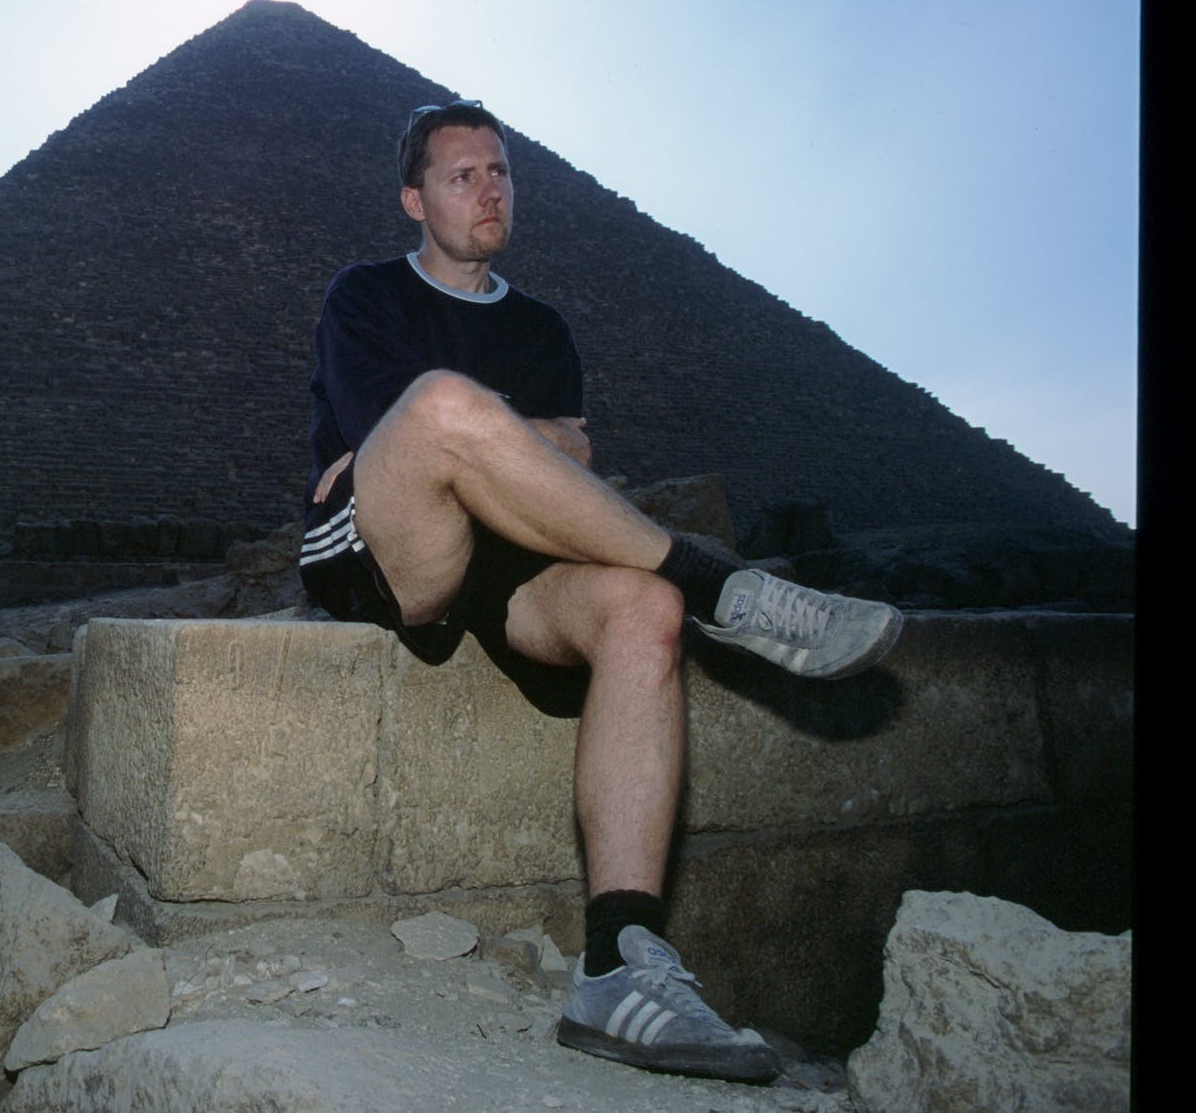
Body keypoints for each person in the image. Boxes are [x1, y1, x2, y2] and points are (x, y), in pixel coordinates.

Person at [298, 100, 903, 1084]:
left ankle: (618, 962)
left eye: (500, 171)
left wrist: (505, 441)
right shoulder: (364, 295)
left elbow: (568, 463)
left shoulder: (540, 329)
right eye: (461, 175)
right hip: (386, 546)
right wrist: (505, 434)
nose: (489, 190)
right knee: (443, 402)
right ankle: (719, 585)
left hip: (509, 568)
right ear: (414, 199)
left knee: (643, 610)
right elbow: (402, 434)